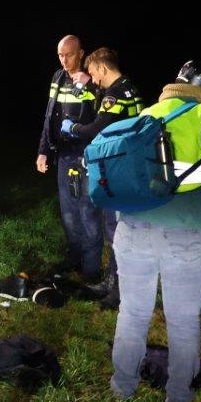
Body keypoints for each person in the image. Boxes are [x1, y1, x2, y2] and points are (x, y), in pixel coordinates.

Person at [109, 61, 201, 402]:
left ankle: (122, 389)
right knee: (182, 320)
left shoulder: (150, 112)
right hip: (185, 235)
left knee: (132, 313)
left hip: (134, 230)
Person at [66, 47, 143, 308]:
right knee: (117, 231)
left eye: (93, 72)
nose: (93, 77)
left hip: (119, 171)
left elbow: (97, 128)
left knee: (115, 232)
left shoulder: (115, 94)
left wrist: (74, 128)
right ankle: (112, 284)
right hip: (128, 166)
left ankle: (118, 294)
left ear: (102, 68)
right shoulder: (129, 88)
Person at [36, 35, 103, 281]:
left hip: (86, 154)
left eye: (70, 54)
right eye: (60, 55)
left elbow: (105, 114)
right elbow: (49, 116)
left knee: (88, 211)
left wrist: (92, 87)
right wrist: (43, 150)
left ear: (81, 53)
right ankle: (74, 257)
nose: (64, 60)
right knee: (68, 211)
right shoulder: (58, 77)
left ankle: (92, 271)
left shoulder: (93, 77)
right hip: (63, 154)